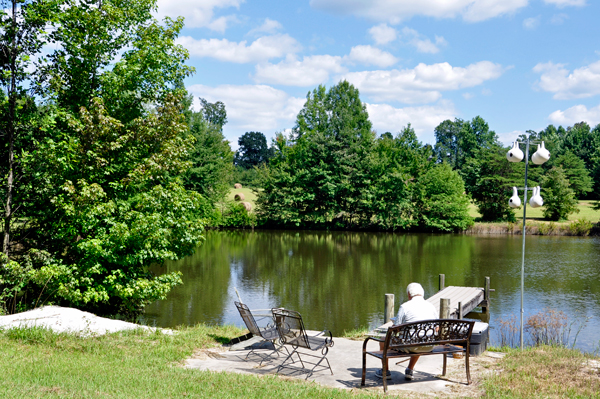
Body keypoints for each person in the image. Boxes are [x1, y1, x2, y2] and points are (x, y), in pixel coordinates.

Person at [375, 282, 438, 381]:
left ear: (409, 294)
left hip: (411, 345)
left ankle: (385, 371)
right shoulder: (431, 306)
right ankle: (409, 369)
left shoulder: (405, 306)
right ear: (422, 293)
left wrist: (395, 324)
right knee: (420, 338)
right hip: (429, 345)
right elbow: (437, 328)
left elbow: (396, 329)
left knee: (383, 340)